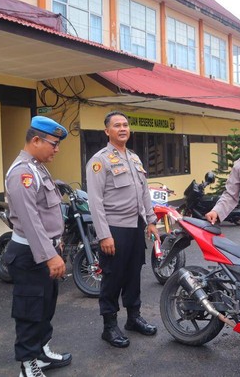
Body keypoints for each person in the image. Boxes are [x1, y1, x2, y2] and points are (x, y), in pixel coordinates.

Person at [3, 116, 72, 377]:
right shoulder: (22, 173)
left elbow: (47, 212)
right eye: (53, 144)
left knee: (45, 307)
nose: (57, 149)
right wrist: (49, 256)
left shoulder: (37, 167)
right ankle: (28, 364)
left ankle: (41, 352)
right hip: (31, 255)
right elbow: (31, 221)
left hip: (45, 251)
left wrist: (57, 243)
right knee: (30, 310)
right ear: (35, 140)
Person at [86, 111, 159, 349]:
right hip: (114, 229)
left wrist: (150, 220)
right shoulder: (100, 160)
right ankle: (109, 326)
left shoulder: (134, 158)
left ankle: (133, 318)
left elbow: (144, 192)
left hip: (135, 226)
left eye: (125, 124)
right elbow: (95, 202)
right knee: (112, 277)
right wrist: (104, 234)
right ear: (107, 131)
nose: (122, 128)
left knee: (133, 274)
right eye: (117, 125)